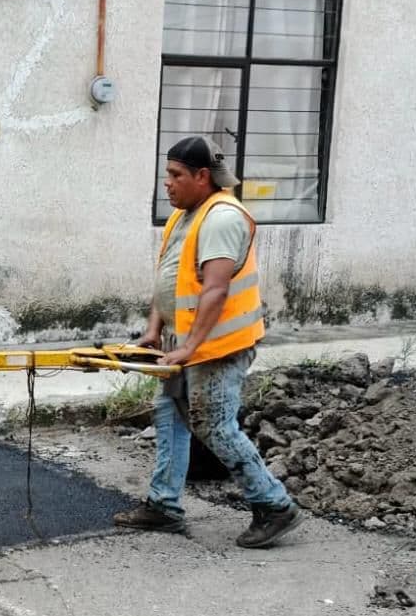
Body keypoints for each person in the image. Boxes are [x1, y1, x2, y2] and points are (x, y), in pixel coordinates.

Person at [113, 135, 304, 548]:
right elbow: (170, 281)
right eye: (167, 173)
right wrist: (154, 330)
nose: (167, 183)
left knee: (213, 424)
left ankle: (273, 504)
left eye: (175, 175)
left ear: (202, 176)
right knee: (170, 416)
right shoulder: (185, 216)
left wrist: (188, 348)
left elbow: (215, 290)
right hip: (187, 340)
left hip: (219, 345)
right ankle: (163, 506)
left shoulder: (221, 218)